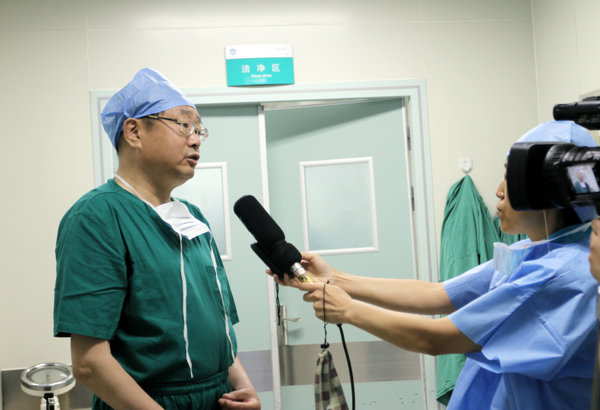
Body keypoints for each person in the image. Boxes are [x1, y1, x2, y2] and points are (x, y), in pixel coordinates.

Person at [272, 121, 599, 409]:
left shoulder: (561, 274)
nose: (499, 191)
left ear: (546, 192)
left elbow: (435, 339)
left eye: (511, 177)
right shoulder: (530, 252)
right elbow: (435, 294)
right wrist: (336, 278)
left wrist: (349, 310)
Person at [54, 68, 260, 410]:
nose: (195, 140)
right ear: (134, 132)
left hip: (217, 397)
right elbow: (90, 362)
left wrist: (244, 388)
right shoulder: (97, 217)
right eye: (183, 124)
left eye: (199, 130)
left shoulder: (193, 218)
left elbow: (217, 329)